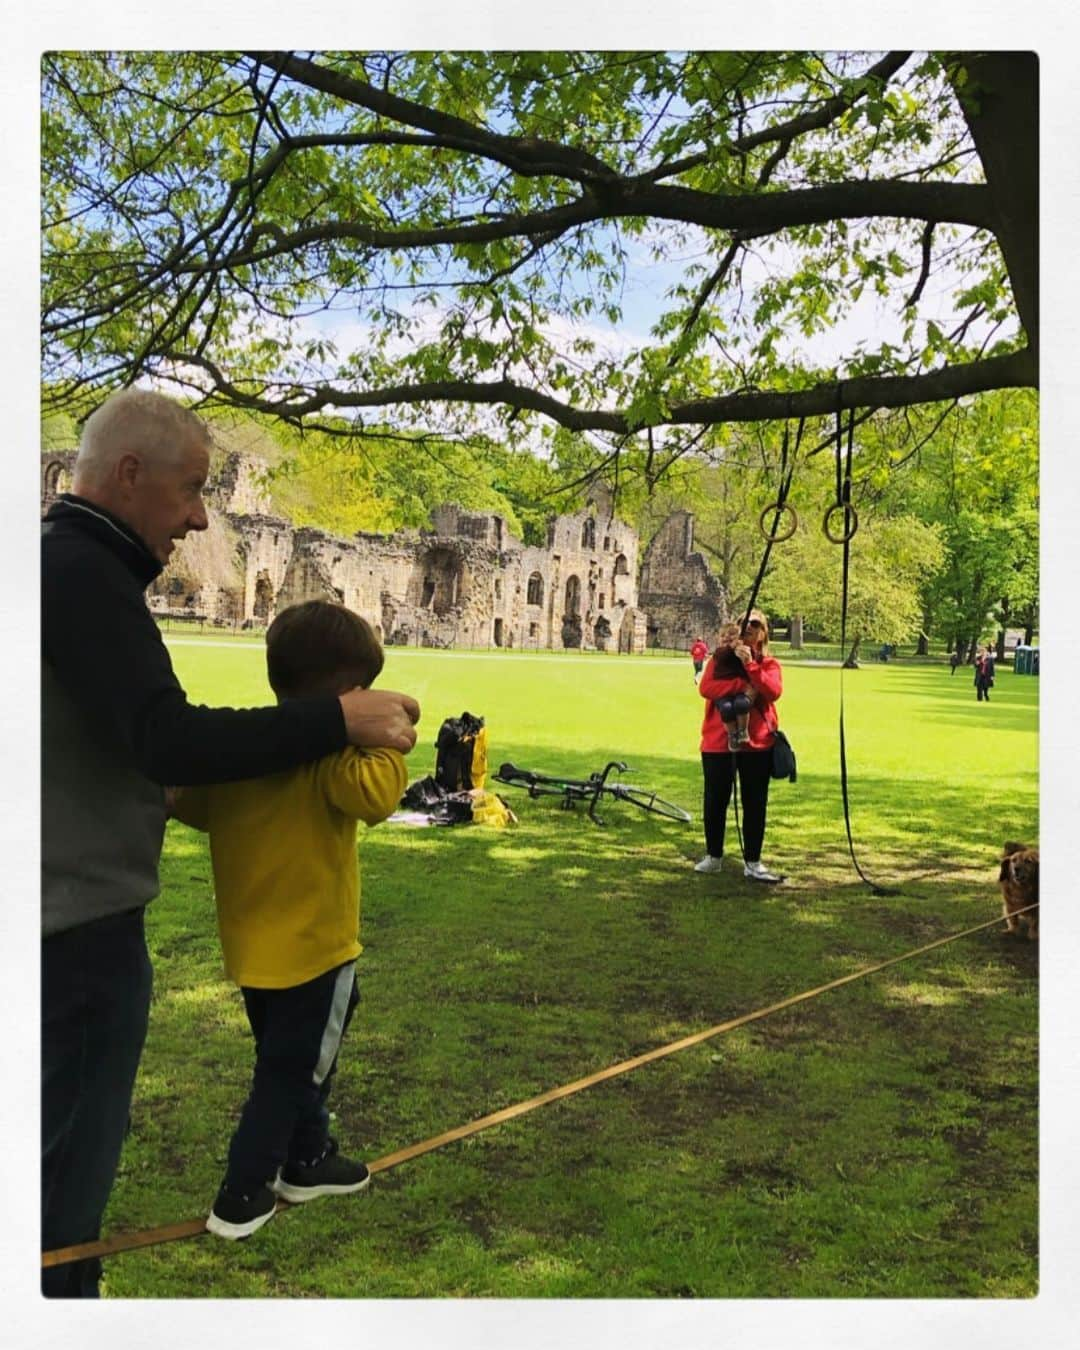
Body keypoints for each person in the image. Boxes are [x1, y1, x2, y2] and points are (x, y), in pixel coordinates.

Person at [42, 389, 420, 1297]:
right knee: (61, 1204)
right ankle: (234, 1197)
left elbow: (173, 776)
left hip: (84, 925)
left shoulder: (67, 568)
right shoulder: (79, 572)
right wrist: (339, 722)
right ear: (128, 475)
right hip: (72, 935)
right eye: (191, 490)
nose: (202, 515)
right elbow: (167, 738)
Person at [170, 601, 407, 1240]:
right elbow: (378, 798)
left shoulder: (250, 751)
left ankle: (308, 1158)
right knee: (293, 1071)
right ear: (347, 695)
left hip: (255, 950)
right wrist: (388, 737)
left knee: (292, 1059)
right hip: (316, 950)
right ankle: (243, 1193)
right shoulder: (330, 758)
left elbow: (194, 804)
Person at [694, 611, 784, 882]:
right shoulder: (719, 659)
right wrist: (742, 686)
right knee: (715, 799)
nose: (748, 628)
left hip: (756, 742)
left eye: (754, 625)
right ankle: (714, 856)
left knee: (755, 802)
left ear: (762, 633)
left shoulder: (769, 664)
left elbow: (772, 691)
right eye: (744, 623)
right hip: (718, 741)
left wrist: (751, 668)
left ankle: (753, 860)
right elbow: (707, 687)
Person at [708, 622, 755, 748]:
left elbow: (750, 663)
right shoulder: (719, 653)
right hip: (724, 693)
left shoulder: (740, 651)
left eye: (732, 635)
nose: (727, 637)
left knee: (742, 704)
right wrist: (730, 648)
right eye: (723, 635)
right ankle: (732, 735)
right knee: (726, 708)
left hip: (739, 693)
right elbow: (723, 656)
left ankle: (743, 731)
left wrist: (744, 654)